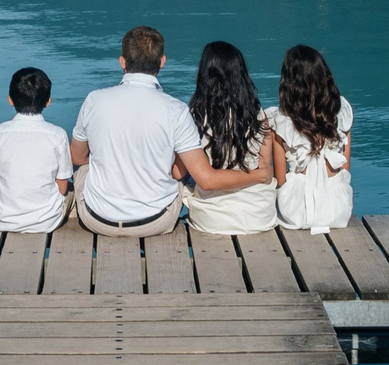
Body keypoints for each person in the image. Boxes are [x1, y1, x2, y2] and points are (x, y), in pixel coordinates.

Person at [69, 25, 266, 236]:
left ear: (122, 62)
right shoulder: (177, 110)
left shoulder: (94, 100)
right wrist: (260, 175)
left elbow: (78, 157)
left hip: (98, 220)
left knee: (83, 170)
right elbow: (205, 179)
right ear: (162, 61)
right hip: (156, 221)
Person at [181, 41, 283, 236]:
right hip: (259, 216)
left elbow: (192, 175)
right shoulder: (258, 114)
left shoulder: (194, 117)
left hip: (213, 220)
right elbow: (264, 171)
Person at [266, 43, 353, 232]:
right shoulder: (342, 111)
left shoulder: (281, 120)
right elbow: (345, 166)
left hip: (298, 211)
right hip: (339, 208)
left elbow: (280, 178)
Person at [0, 66, 72, 232]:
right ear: (48, 101)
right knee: (71, 190)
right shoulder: (57, 135)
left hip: (2, 220)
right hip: (46, 221)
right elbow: (62, 187)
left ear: (10, 99)